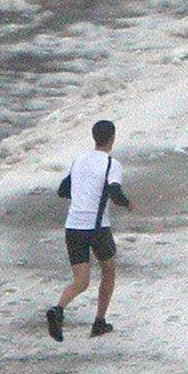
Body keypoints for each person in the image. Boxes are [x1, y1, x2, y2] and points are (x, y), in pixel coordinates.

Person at [48, 118, 130, 340]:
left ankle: (58, 309)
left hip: (73, 226)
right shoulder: (112, 164)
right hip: (97, 227)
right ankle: (99, 322)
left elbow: (63, 191)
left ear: (94, 137)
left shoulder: (78, 161)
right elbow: (115, 192)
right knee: (109, 270)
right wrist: (127, 203)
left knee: (81, 281)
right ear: (112, 138)